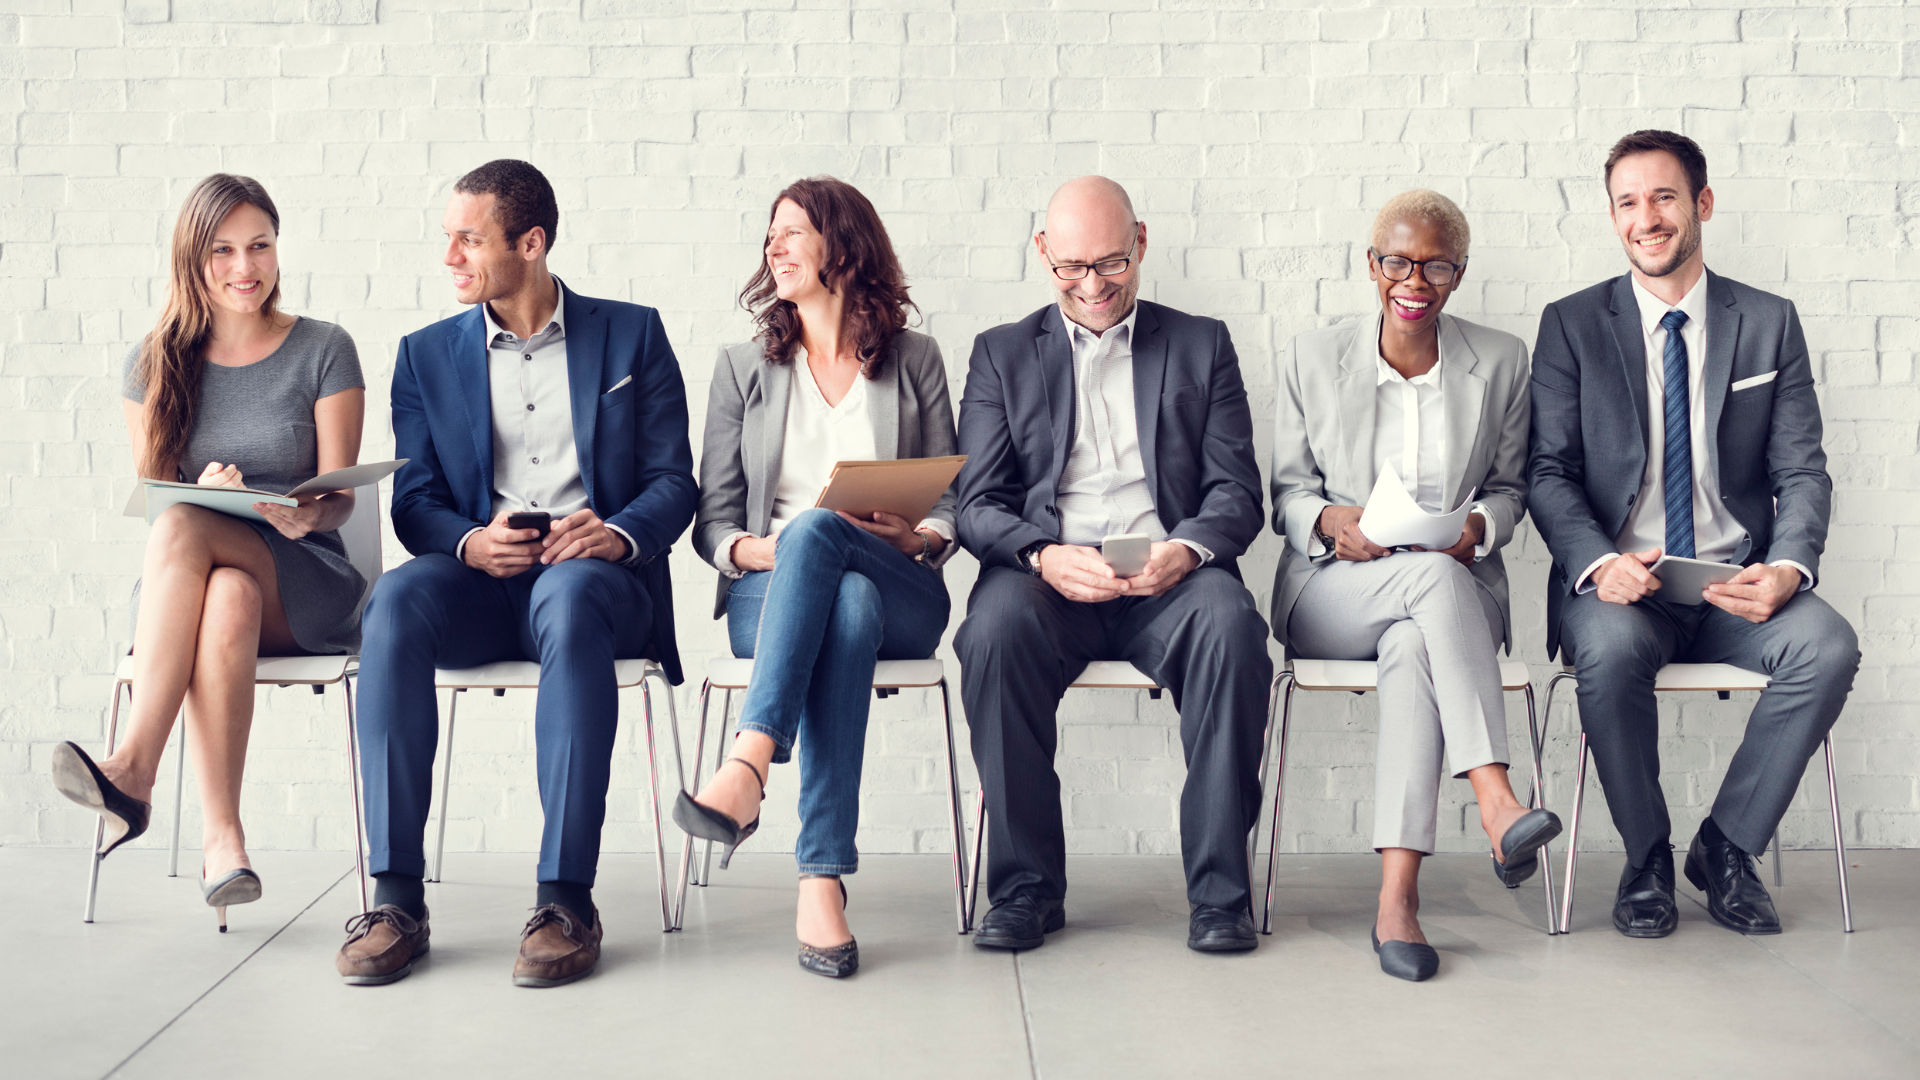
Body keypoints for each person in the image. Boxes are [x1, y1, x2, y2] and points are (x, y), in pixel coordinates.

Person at [337, 160, 696, 987]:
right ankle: (395, 899)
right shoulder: (424, 355)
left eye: (470, 238)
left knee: (568, 598)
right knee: (393, 598)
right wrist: (468, 542)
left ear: (531, 244)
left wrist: (616, 534)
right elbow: (416, 498)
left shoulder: (632, 335)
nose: (451, 256)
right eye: (448, 238)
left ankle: (566, 899)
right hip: (481, 583)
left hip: (596, 585)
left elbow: (674, 481)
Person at [1529, 130, 1860, 939]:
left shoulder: (1768, 323)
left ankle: (1727, 847)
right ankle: (1647, 857)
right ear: (1613, 219)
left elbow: (1803, 473)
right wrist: (1599, 563)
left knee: (1828, 647)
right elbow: (1547, 472)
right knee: (1605, 653)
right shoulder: (1572, 324)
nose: (1648, 218)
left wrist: (1788, 567)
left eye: (1665, 197)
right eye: (1629, 203)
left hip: (1731, 584)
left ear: (1702, 204)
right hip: (1624, 590)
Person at [953, 176, 1272, 954]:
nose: (1092, 286)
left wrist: (1186, 550)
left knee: (1233, 630)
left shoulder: (1202, 343)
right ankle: (1027, 890)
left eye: (1110, 264)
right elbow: (976, 502)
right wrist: (1042, 553)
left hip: (1170, 571)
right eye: (1070, 268)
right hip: (1046, 574)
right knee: (990, 634)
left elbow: (1237, 491)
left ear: (1141, 244)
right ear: (1042, 253)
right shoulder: (1000, 353)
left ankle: (1220, 896)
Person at [51, 174, 366, 930]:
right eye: (223, 250)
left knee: (192, 534)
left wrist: (302, 514)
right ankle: (224, 843)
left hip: (304, 580)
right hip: (194, 589)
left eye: (259, 245)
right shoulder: (154, 362)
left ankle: (132, 770)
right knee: (223, 593)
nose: (244, 266)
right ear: (193, 259)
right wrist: (202, 487)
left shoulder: (323, 348)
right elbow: (157, 501)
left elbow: (341, 497)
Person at [1270, 190, 1561, 981]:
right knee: (1424, 587)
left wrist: (1479, 529)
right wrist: (1332, 520)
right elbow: (1285, 494)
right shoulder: (1310, 355)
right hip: (1334, 591)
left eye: (1435, 264)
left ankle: (1397, 900)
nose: (1414, 279)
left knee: (1412, 648)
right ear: (1372, 265)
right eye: (1397, 260)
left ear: (1458, 274)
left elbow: (1509, 489)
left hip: (1447, 599)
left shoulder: (1499, 362)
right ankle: (1498, 802)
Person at [680, 177, 958, 979]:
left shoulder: (915, 360)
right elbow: (716, 521)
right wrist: (755, 550)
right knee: (840, 594)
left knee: (841, 560)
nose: (776, 246)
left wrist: (921, 533)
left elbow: (955, 499)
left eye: (795, 231)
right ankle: (820, 878)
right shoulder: (742, 370)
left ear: (846, 245)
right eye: (771, 233)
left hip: (899, 577)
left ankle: (748, 766)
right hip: (773, 593)